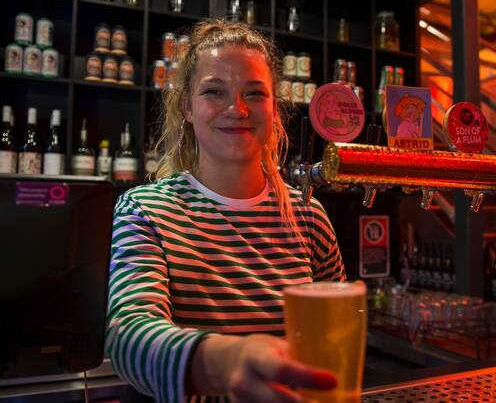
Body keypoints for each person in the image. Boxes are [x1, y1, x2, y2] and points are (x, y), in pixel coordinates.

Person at [106, 20, 345, 403]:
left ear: (273, 108)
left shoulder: (309, 217)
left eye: (254, 93)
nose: (236, 109)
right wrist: (224, 360)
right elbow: (127, 335)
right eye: (214, 91)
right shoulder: (145, 211)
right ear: (187, 105)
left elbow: (336, 336)